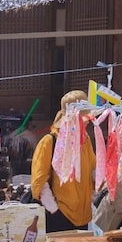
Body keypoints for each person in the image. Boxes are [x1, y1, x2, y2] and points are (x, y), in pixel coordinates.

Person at [30, 90, 96, 233]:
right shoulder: (49, 142)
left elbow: (92, 170)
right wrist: (54, 210)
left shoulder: (86, 141)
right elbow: (39, 181)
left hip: (83, 216)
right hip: (59, 216)